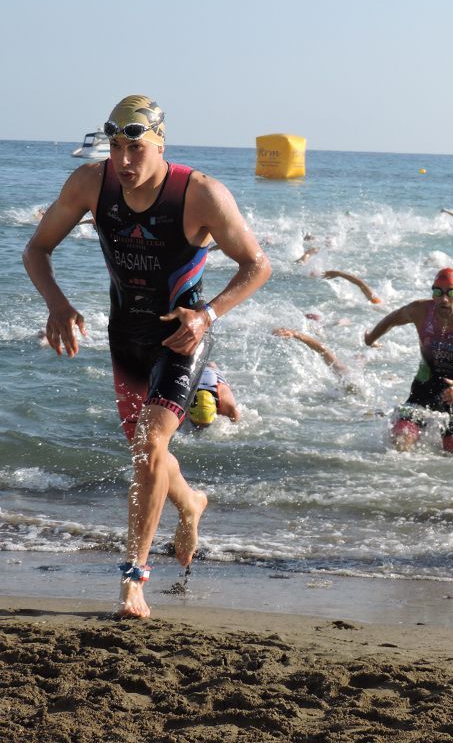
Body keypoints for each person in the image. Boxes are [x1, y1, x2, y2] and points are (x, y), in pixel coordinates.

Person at [22, 95, 271, 618]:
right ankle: (191, 503)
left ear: (160, 144)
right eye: (115, 146)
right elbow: (36, 249)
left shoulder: (200, 193)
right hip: (126, 334)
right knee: (144, 452)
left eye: (135, 147)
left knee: (150, 443)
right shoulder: (92, 184)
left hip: (183, 335)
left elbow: (256, 265)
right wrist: (58, 305)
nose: (124, 160)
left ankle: (133, 579)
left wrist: (209, 315)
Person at [363, 268, 453, 453]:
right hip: (422, 390)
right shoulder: (421, 310)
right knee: (400, 442)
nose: (443, 299)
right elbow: (393, 318)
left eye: (451, 292)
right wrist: (371, 338)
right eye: (437, 292)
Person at [273, 327, 348, 374]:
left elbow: (323, 350)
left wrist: (296, 334)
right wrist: (296, 334)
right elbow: (323, 351)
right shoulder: (348, 376)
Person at [187, 362, 240, 427]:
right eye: (195, 423)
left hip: (213, 376)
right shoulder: (184, 398)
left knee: (211, 365)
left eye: (206, 425)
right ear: (188, 413)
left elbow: (236, 422)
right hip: (198, 376)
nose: (200, 428)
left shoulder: (227, 406)